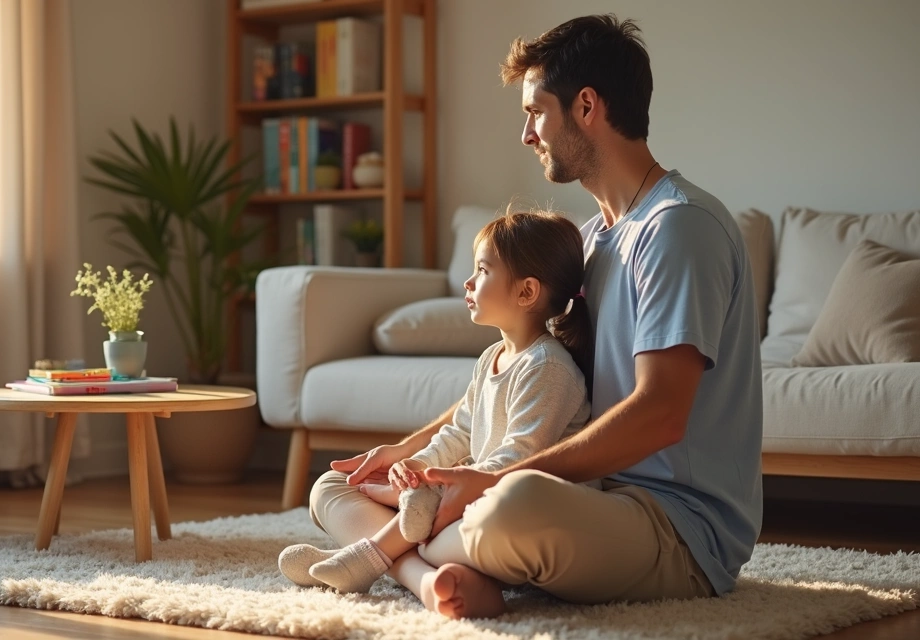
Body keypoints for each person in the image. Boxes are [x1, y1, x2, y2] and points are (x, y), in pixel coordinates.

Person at [306, 14, 763, 619]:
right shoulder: (589, 239)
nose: (527, 133)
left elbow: (660, 417)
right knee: (332, 487)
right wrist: (409, 451)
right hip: (586, 496)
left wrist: (489, 482)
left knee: (511, 505)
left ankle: (400, 558)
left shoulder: (678, 229)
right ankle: (427, 574)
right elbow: (520, 369)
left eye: (536, 111)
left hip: (672, 525)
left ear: (587, 106)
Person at [278, 211, 594, 594]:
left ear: (526, 292)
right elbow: (460, 431)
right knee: (332, 486)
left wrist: (433, 489)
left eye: (482, 271)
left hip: (506, 510)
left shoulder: (548, 368)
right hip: (460, 499)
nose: (468, 281)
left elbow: (519, 457)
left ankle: (369, 557)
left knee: (426, 506)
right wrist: (417, 466)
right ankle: (415, 571)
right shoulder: (492, 356)